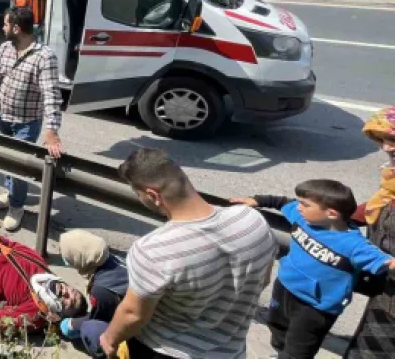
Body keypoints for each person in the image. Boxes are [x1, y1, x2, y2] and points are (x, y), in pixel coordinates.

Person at [99, 148, 277, 359]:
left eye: (138, 195)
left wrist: (109, 340)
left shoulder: (152, 250)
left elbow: (133, 314)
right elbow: (262, 280)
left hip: (165, 351)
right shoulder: (252, 220)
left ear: (153, 196)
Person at [229, 180, 395, 359]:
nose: (299, 207)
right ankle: (279, 352)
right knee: (276, 328)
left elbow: (387, 263)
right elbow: (284, 203)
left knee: (299, 349)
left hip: (315, 307)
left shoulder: (354, 246)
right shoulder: (302, 217)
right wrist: (256, 200)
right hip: (285, 287)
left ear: (331, 213)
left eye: (305, 205)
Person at [0, 7, 64, 231]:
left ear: (16, 28)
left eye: (5, 24)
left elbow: (51, 95)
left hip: (27, 122)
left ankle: (17, 206)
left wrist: (51, 130)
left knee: (18, 164)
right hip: (3, 116)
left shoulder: (44, 57)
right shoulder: (5, 48)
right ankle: (11, 193)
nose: (2, 28)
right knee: (6, 159)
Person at [343, 105, 395, 359]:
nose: (387, 148)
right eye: (384, 140)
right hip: (384, 290)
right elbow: (378, 205)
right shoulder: (392, 182)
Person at [58, 230, 130, 359]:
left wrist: (73, 324)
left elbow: (101, 320)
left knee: (90, 329)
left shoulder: (101, 290)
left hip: (142, 334)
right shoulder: (113, 259)